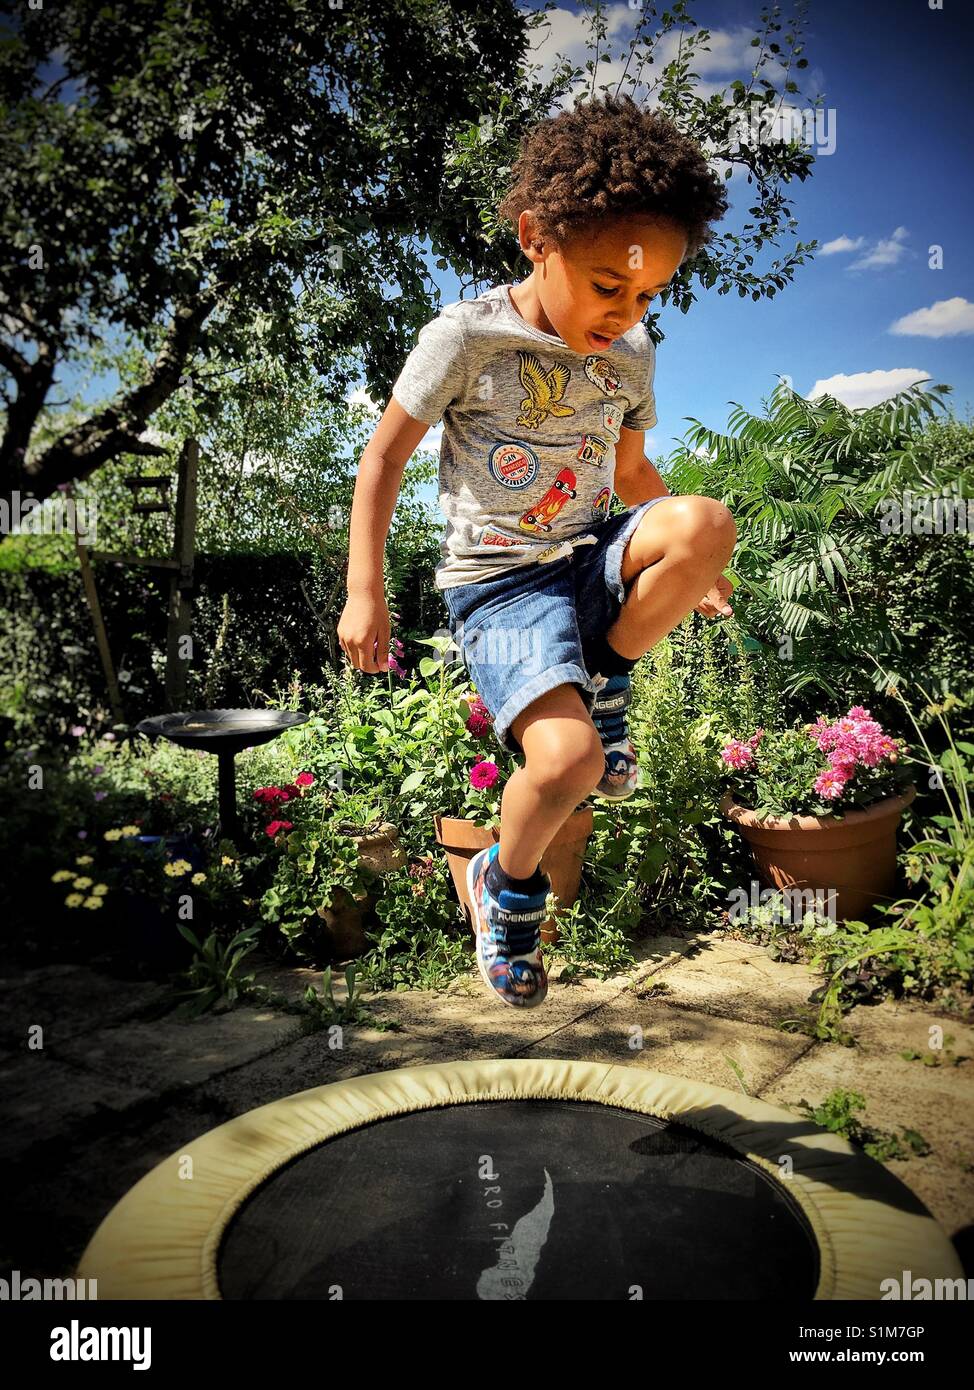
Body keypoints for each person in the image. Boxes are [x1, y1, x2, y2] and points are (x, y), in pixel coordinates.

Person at [338, 94, 737, 1011]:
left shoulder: (628, 354)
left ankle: (607, 675)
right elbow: (385, 456)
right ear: (535, 238)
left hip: (590, 555)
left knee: (707, 523)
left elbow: (636, 473)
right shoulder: (466, 336)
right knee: (566, 766)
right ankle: (504, 885)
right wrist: (367, 588)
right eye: (608, 286)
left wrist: (694, 568)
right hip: (504, 585)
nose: (627, 312)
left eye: (647, 295)